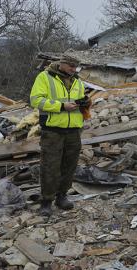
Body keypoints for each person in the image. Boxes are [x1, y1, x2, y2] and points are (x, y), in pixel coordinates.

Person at [30, 54, 87, 216]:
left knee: (69, 166)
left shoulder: (77, 80)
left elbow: (79, 100)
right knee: (50, 166)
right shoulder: (45, 77)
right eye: (70, 66)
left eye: (75, 67)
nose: (73, 69)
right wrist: (61, 106)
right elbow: (36, 100)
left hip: (74, 131)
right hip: (53, 130)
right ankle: (46, 201)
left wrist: (84, 103)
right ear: (62, 63)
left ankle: (62, 196)